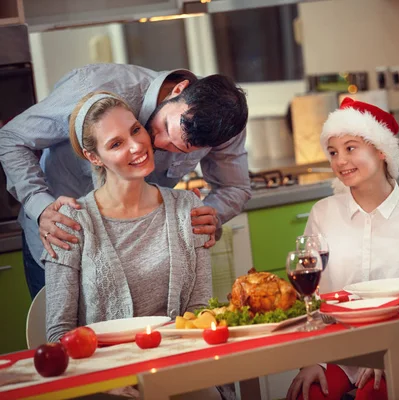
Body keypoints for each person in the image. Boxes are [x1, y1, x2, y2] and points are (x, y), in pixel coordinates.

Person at [0, 64, 251, 299]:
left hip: (142, 258)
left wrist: (211, 216)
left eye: (180, 148)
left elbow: (234, 187)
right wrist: (40, 205)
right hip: (62, 244)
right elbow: (11, 139)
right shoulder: (95, 87)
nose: (159, 145)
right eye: (164, 127)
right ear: (179, 89)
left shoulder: (225, 125)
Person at [43, 92, 230, 400]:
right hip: (103, 383)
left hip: (178, 372)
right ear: (94, 157)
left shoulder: (187, 209)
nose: (136, 146)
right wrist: (115, 384)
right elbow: (59, 334)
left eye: (135, 130)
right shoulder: (70, 223)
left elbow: (199, 312)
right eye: (116, 144)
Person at [287, 98, 399, 400]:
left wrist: (393, 351)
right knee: (309, 395)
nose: (340, 160)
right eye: (333, 152)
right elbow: (308, 297)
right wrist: (312, 359)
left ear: (381, 151)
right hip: (336, 350)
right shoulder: (322, 213)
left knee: (372, 395)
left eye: (350, 148)